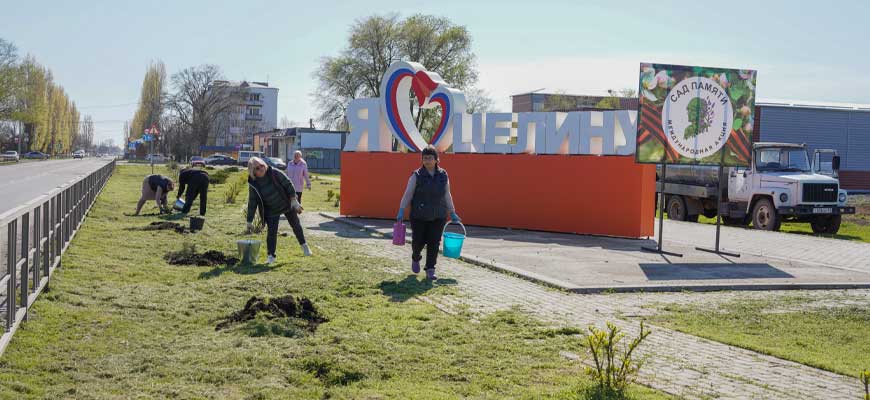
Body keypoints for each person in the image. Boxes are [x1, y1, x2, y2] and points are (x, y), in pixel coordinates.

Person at [397, 146, 460, 281]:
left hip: (438, 215)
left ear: (436, 159)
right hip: (419, 215)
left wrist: (452, 212)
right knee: (418, 241)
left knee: (434, 242)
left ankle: (430, 269)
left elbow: (447, 194)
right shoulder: (416, 175)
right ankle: (416, 257)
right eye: (424, 158)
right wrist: (401, 210)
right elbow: (408, 194)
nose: (427, 160)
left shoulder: (443, 175)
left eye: (430, 158)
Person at [246, 157, 311, 264]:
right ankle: (271, 256)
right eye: (257, 168)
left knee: (296, 225)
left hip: (286, 203)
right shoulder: (254, 184)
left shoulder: (274, 173)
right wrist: (249, 221)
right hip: (271, 210)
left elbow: (288, 184)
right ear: (253, 171)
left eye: (262, 165)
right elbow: (252, 202)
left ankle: (304, 246)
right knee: (271, 233)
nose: (261, 169)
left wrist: (294, 200)